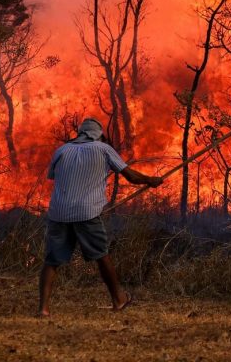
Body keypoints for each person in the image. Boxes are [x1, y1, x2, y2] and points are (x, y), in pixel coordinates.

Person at [38, 117, 163, 317]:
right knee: (101, 255)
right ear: (99, 135)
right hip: (86, 213)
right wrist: (151, 180)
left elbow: (53, 176)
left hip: (58, 212)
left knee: (52, 260)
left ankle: (43, 309)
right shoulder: (103, 148)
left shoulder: (62, 150)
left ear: (80, 133)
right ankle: (119, 299)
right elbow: (131, 176)